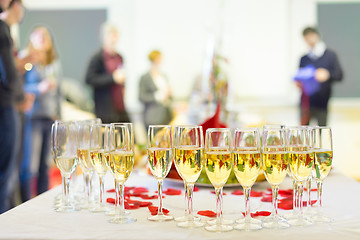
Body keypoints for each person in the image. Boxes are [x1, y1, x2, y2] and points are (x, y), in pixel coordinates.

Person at [18, 26, 62, 201]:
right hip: (33, 118)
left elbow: (59, 93)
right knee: (30, 166)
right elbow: (18, 89)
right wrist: (38, 88)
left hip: (50, 118)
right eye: (39, 36)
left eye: (46, 36)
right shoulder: (26, 60)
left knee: (45, 164)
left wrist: (59, 117)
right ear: (32, 39)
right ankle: (25, 202)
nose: (43, 39)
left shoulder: (54, 63)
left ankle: (42, 201)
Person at [0, 0, 32, 213]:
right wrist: (21, 97)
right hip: (7, 104)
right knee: (7, 167)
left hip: (7, 102)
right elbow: (8, 71)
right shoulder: (2, 29)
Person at [296, 27, 343, 126]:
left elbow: (339, 75)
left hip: (322, 102)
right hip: (306, 103)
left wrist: (327, 74)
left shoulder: (330, 55)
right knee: (303, 134)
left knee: (321, 132)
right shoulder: (304, 58)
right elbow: (299, 77)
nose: (309, 40)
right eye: (306, 38)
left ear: (317, 36)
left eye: (311, 36)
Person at [85, 23, 130, 123]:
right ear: (104, 37)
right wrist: (112, 78)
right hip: (105, 109)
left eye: (115, 36)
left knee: (128, 134)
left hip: (120, 106)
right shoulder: (97, 58)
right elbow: (89, 79)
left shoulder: (119, 57)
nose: (113, 39)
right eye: (110, 36)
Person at [139, 50, 173, 129]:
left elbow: (168, 96)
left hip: (166, 115)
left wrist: (169, 94)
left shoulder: (163, 76)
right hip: (152, 116)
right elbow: (141, 97)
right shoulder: (145, 77)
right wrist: (157, 96)